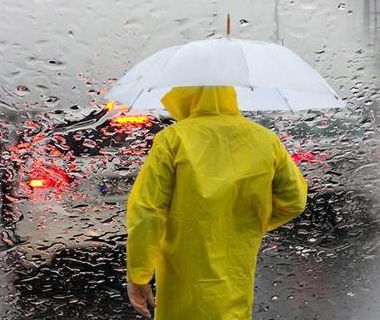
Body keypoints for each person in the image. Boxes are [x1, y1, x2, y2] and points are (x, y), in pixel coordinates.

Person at [125, 86, 308, 319]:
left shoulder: (173, 138)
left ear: (187, 94)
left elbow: (148, 210)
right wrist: (248, 224)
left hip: (181, 275)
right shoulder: (266, 140)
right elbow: (294, 200)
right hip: (237, 270)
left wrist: (139, 275)